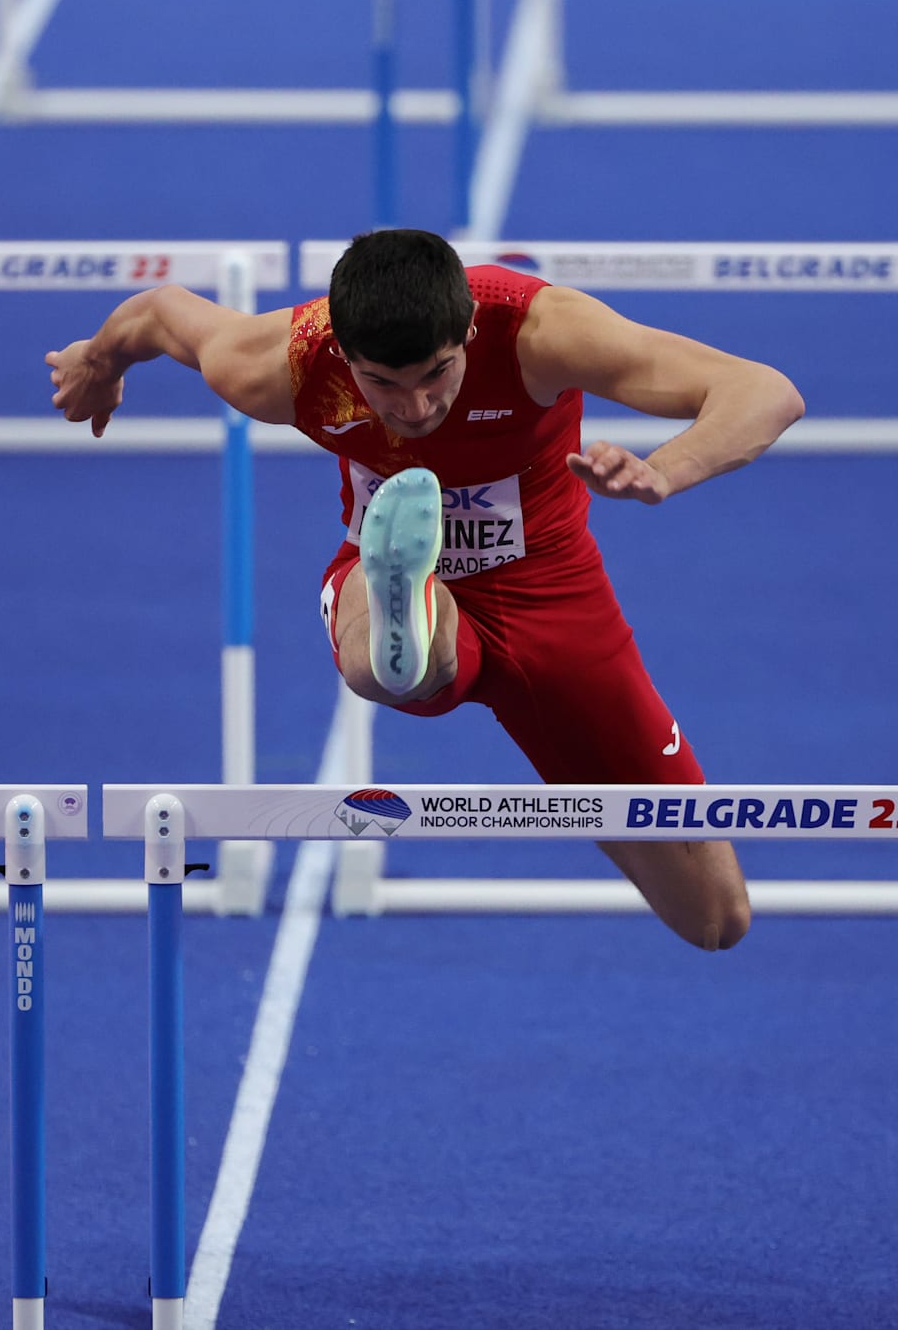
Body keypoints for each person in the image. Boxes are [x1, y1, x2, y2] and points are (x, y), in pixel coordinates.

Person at [46, 229, 802, 949]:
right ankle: (406, 603)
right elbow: (158, 314)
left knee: (712, 918)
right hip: (399, 586)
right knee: (399, 664)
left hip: (553, 597)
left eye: (436, 374)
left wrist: (665, 469)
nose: (414, 407)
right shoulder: (278, 363)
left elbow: (763, 391)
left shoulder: (540, 330)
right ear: (344, 353)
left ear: (468, 332)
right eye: (383, 383)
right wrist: (99, 361)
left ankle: (564, 750)